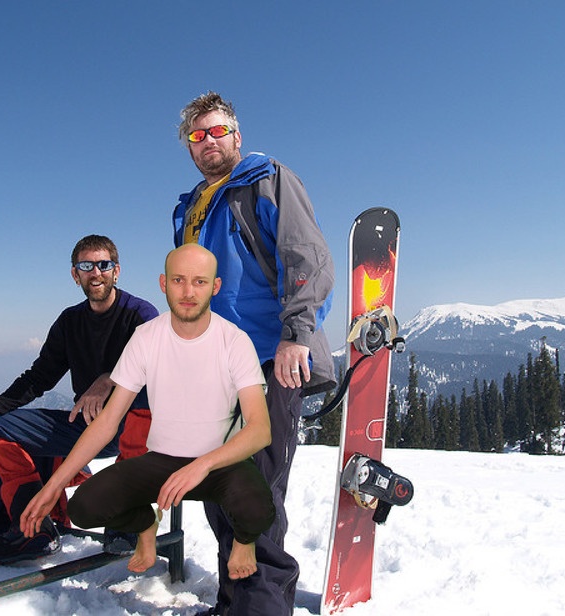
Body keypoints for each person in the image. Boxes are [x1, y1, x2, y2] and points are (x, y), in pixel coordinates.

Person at [21, 244, 275, 581]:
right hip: (161, 462)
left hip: (219, 464)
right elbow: (108, 421)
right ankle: (145, 526)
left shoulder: (234, 341)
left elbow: (260, 430)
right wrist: (54, 485)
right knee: (85, 506)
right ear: (163, 284)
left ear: (215, 287)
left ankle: (244, 542)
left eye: (199, 282)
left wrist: (201, 466)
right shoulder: (146, 338)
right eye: (179, 280)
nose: (187, 292)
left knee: (258, 509)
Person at [173, 92, 336, 615]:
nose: (209, 142)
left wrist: (297, 333)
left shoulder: (266, 181)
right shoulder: (191, 208)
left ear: (236, 136)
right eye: (197, 136)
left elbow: (307, 256)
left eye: (218, 131)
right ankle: (235, 603)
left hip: (267, 359)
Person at [0, 234, 158, 565]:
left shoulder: (140, 313)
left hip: (133, 428)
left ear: (117, 271)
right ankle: (34, 528)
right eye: (86, 266)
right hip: (85, 427)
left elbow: (161, 365)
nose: (95, 272)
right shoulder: (70, 321)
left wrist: (108, 380)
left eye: (103, 264)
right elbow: (39, 376)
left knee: (146, 403)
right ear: (75, 274)